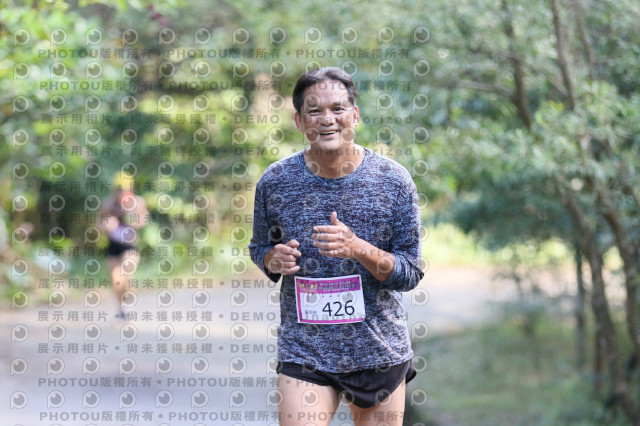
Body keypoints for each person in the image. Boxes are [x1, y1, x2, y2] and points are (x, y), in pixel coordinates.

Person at [249, 67, 424, 426]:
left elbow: (410, 272)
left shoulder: (393, 181)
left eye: (338, 109)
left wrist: (358, 248)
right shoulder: (275, 181)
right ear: (299, 121)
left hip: (378, 350)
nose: (327, 119)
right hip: (305, 350)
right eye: (314, 111)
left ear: (354, 115)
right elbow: (259, 247)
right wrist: (272, 258)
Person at [99, 174, 148, 319]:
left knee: (128, 273)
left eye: (125, 189)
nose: (122, 192)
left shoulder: (138, 202)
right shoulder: (108, 204)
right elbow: (98, 223)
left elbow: (144, 220)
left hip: (130, 246)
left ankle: (128, 304)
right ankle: (121, 308)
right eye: (119, 189)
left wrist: (134, 220)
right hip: (113, 246)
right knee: (117, 281)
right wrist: (106, 225)